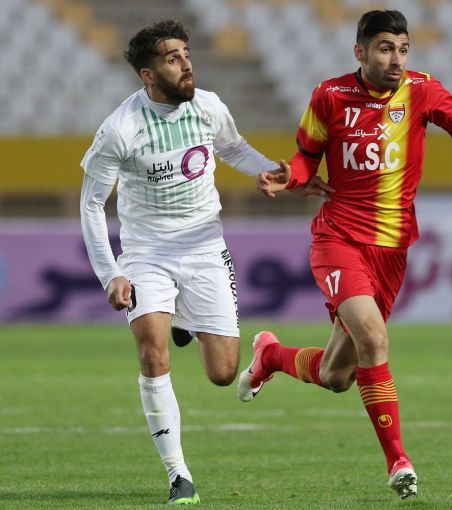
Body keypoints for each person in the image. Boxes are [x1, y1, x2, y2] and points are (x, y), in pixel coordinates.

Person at [236, 9, 452, 500]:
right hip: (338, 238)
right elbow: (306, 156)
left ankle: (270, 356)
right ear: (361, 51)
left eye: (404, 49)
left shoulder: (422, 91)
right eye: (386, 48)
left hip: (391, 249)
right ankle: (399, 462)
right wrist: (293, 178)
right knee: (374, 337)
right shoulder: (330, 96)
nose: (397, 59)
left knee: (337, 375)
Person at [79, 20, 326, 505]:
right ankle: (178, 475)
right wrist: (112, 273)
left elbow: (233, 147)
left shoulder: (208, 106)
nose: (186, 64)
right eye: (172, 59)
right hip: (147, 253)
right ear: (148, 75)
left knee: (222, 373)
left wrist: (277, 174)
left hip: (206, 248)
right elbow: (90, 204)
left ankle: (214, 335)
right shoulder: (120, 129)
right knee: (152, 354)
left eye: (186, 54)